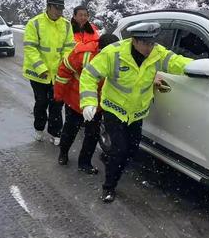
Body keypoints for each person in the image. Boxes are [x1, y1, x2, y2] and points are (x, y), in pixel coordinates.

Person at [80, 22, 193, 203]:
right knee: (119, 149)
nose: (150, 47)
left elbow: (176, 62)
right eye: (146, 44)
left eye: (152, 43)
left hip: (137, 113)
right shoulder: (114, 53)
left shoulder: (157, 52)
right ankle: (108, 187)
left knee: (131, 149)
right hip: (114, 109)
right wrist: (88, 102)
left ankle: (115, 165)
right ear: (134, 41)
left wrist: (197, 67)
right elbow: (89, 74)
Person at [54, 33, 119, 173]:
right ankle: (63, 154)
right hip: (76, 99)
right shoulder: (83, 54)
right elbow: (64, 70)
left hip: (97, 103)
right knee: (70, 130)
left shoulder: (120, 57)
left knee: (92, 134)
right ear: (100, 49)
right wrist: (58, 94)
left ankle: (84, 163)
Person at [23, 0, 75, 144]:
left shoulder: (66, 25)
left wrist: (63, 66)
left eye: (61, 9)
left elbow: (69, 46)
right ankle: (39, 128)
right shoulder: (35, 23)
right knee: (41, 102)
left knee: (57, 103)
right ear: (49, 7)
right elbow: (30, 48)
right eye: (57, 9)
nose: (59, 12)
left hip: (58, 74)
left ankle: (55, 132)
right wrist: (41, 68)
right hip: (39, 73)